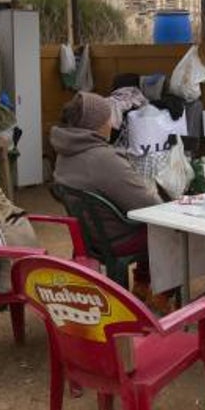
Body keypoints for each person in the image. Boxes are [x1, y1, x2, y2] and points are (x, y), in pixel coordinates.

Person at [49, 92, 164, 302]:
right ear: (96, 124)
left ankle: (141, 285)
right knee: (168, 230)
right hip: (116, 239)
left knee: (150, 223)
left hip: (89, 236)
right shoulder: (103, 160)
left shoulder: (65, 153)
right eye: (109, 117)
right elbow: (149, 204)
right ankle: (161, 294)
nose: (113, 122)